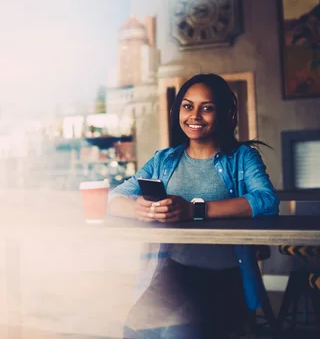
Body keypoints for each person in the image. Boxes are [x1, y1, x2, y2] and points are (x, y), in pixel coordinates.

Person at [108, 73, 279, 338]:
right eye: (188, 106)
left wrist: (195, 209)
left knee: (179, 335)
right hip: (175, 271)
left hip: (226, 276)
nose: (195, 115)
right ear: (178, 111)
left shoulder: (243, 157)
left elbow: (267, 201)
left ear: (225, 113)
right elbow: (114, 199)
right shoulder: (164, 160)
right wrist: (140, 208)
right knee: (135, 331)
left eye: (207, 108)